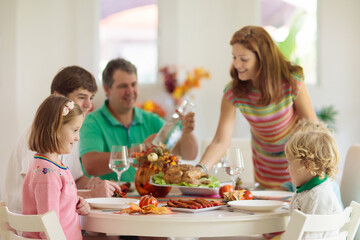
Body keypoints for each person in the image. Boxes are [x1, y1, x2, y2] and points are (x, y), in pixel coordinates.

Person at [197, 25, 318, 189]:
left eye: (244, 59)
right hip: (265, 167)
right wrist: (199, 169)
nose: (237, 64)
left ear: (263, 59)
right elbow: (220, 141)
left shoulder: (291, 82)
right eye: (234, 57)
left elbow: (313, 128)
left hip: (297, 166)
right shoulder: (233, 92)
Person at [3, 66, 120, 214]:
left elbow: (75, 179)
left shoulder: (69, 134)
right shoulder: (39, 136)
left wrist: (94, 184)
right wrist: (91, 195)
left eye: (91, 98)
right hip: (28, 228)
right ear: (57, 97)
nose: (89, 105)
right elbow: (42, 192)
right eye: (82, 97)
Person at [79, 58, 198, 182]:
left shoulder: (151, 120)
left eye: (133, 84)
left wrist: (187, 132)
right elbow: (90, 165)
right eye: (123, 86)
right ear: (107, 89)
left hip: (145, 196)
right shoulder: (92, 122)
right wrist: (140, 150)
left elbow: (188, 154)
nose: (130, 91)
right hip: (107, 198)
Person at [23, 95, 90, 239]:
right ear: (55, 129)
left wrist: (76, 202)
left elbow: (57, 203)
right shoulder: (47, 173)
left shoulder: (50, 167)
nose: (78, 137)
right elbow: (48, 227)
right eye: (75, 130)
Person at [275, 127, 342, 239]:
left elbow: (310, 236)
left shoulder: (316, 197)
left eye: (290, 163)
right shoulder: (310, 191)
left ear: (307, 165)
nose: (288, 169)